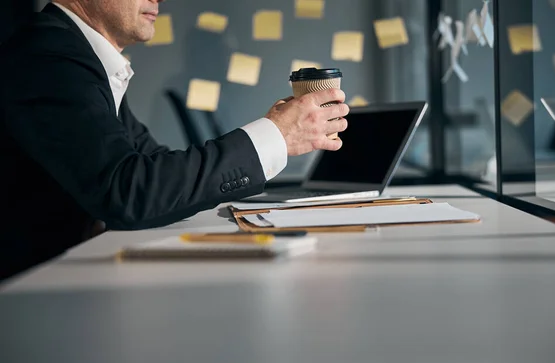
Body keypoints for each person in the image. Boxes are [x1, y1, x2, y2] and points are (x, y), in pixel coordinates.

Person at [0, 0, 349, 277]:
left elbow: (156, 170)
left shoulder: (76, 56)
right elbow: (131, 192)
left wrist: (276, 135)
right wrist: (276, 135)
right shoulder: (48, 56)